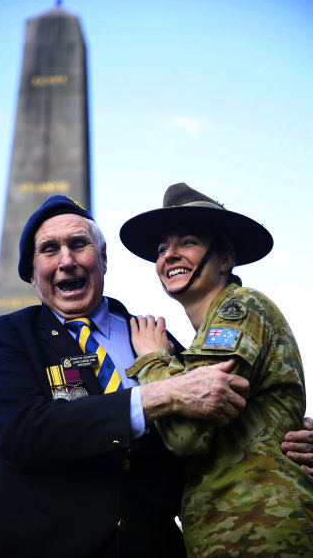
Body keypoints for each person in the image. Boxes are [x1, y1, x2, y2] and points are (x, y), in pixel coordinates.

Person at [0, 195, 251, 558]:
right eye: (50, 250)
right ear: (32, 274)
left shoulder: (158, 342)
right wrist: (157, 397)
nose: (66, 260)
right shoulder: (5, 337)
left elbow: (209, 441)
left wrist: (282, 444)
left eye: (79, 244)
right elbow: (22, 430)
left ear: (102, 258)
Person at [120, 183, 313, 555]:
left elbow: (186, 434)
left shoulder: (239, 309)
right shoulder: (205, 336)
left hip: (260, 535)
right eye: (162, 248)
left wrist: (151, 359)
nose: (169, 255)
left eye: (187, 241)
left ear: (225, 259)